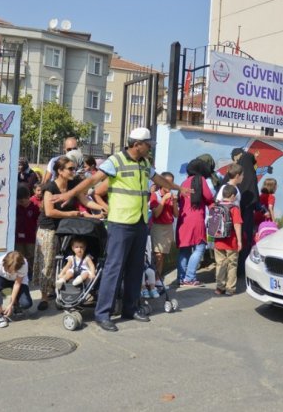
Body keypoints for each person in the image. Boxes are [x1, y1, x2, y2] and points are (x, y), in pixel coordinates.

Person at [52, 127, 190, 332]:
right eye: (148, 144)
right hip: (120, 223)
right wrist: (68, 194)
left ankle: (130, 308)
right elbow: (92, 181)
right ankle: (103, 314)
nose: (150, 147)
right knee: (113, 269)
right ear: (137, 145)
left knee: (135, 268)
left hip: (140, 222)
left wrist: (179, 188)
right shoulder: (116, 160)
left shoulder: (144, 163)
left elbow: (158, 178)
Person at [34, 156, 105, 311]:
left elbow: (85, 201)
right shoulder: (49, 188)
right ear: (60, 171)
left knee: (65, 260)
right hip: (49, 229)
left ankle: (61, 290)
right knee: (47, 263)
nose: (74, 171)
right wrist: (73, 214)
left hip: (67, 229)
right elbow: (50, 211)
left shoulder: (73, 184)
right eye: (71, 168)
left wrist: (101, 208)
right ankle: (45, 296)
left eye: (75, 168)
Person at [176, 158, 215, 287]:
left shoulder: (184, 182)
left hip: (183, 219)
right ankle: (190, 277)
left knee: (184, 249)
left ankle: (181, 278)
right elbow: (209, 197)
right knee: (200, 247)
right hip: (196, 218)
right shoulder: (200, 180)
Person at [0, 251, 32, 328]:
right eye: (7, 269)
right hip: (2, 279)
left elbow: (17, 284)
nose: (9, 272)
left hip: (17, 281)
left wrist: (10, 304)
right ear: (4, 264)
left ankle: (16, 305)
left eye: (11, 271)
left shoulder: (24, 264)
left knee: (26, 304)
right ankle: (0, 313)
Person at [149, 171, 178, 289]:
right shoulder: (155, 195)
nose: (170, 186)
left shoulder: (172, 196)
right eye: (167, 183)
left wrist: (175, 202)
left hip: (168, 227)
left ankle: (157, 280)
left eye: (172, 183)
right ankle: (153, 280)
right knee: (158, 255)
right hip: (157, 227)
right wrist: (164, 200)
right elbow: (156, 214)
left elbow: (176, 214)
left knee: (163, 256)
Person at [213, 185, 243, 296]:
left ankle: (219, 288)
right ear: (233, 196)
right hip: (231, 242)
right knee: (232, 264)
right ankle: (230, 289)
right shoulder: (234, 209)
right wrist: (239, 241)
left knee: (220, 264)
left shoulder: (215, 206)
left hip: (218, 241)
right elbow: (237, 224)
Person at [234, 148, 259, 277]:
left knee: (236, 239)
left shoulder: (236, 174)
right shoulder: (252, 175)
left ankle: (232, 270)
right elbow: (255, 196)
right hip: (247, 213)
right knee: (245, 239)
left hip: (235, 212)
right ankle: (242, 270)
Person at [15, 185, 40, 280]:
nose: (22, 203)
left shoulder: (35, 208)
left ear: (28, 197)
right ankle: (21, 273)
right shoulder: (17, 208)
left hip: (31, 237)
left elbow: (38, 222)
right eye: (19, 201)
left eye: (23, 201)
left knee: (31, 255)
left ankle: (31, 273)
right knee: (20, 255)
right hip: (18, 237)